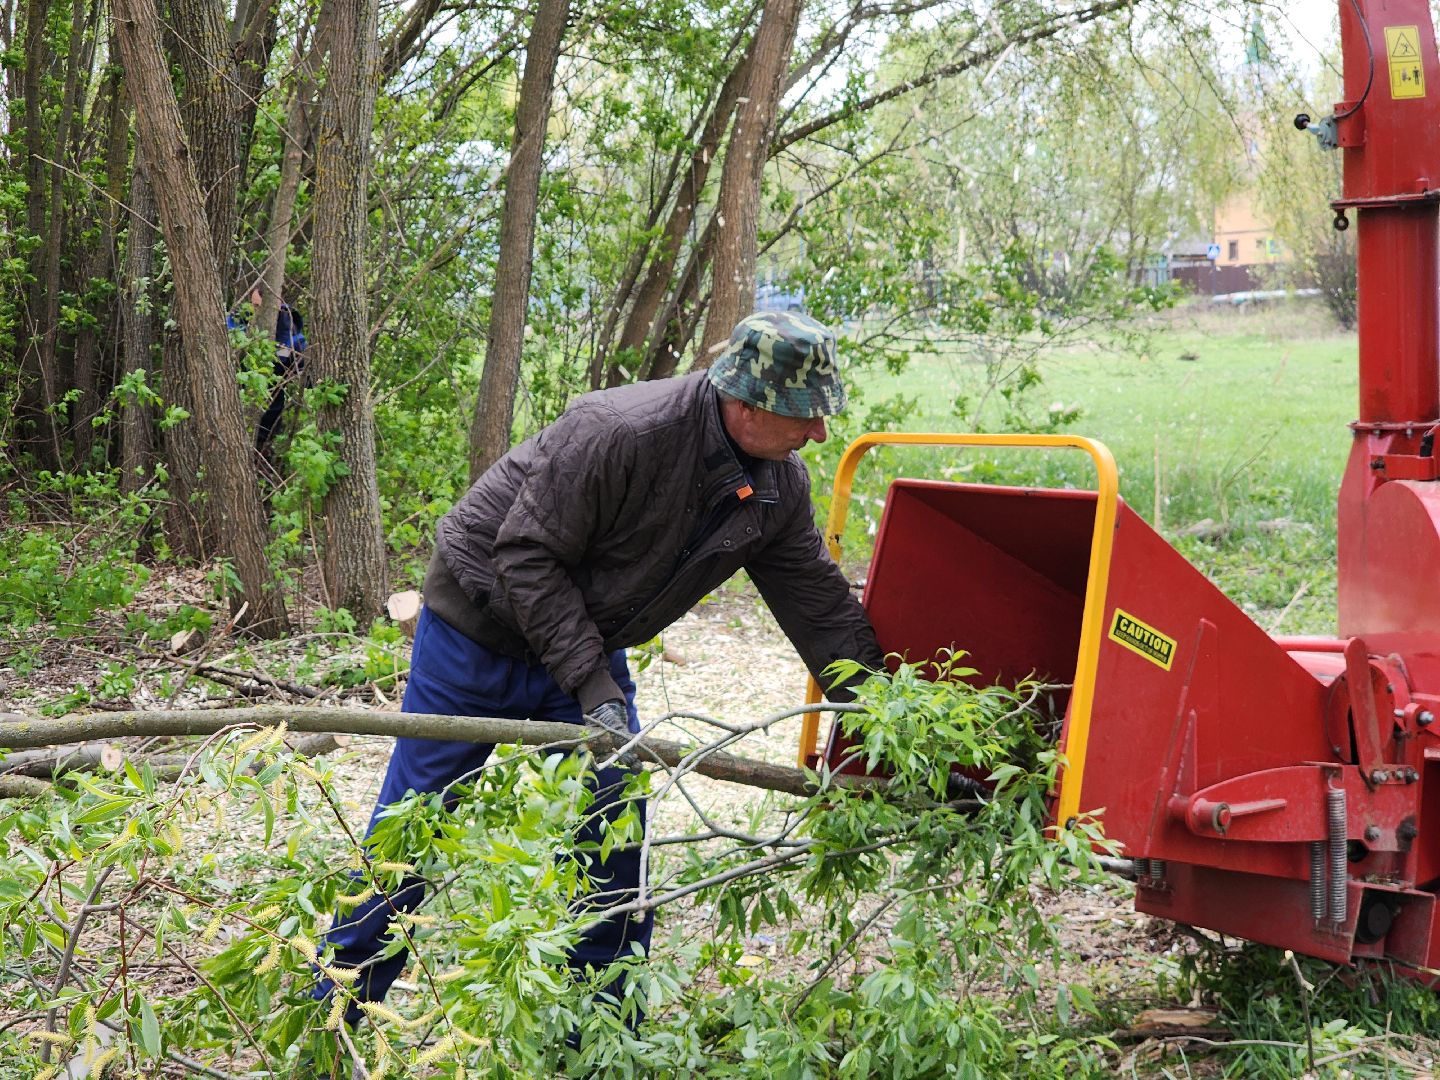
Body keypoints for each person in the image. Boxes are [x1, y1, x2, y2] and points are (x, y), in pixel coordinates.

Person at [312, 310, 886, 1033]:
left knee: (613, 832)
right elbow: (523, 555)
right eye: (806, 416)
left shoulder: (776, 488)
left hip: (582, 638)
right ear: (746, 404)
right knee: (412, 832)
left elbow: (820, 610)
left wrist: (889, 724)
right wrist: (594, 689)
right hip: (477, 631)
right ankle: (331, 1020)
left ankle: (604, 1038)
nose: (818, 434)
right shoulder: (620, 431)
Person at [229, 285, 308, 463]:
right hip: (232, 417)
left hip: (266, 425)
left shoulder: (292, 338)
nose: (255, 312)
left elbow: (307, 378)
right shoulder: (238, 325)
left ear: (276, 305)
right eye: (253, 306)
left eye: (260, 307)